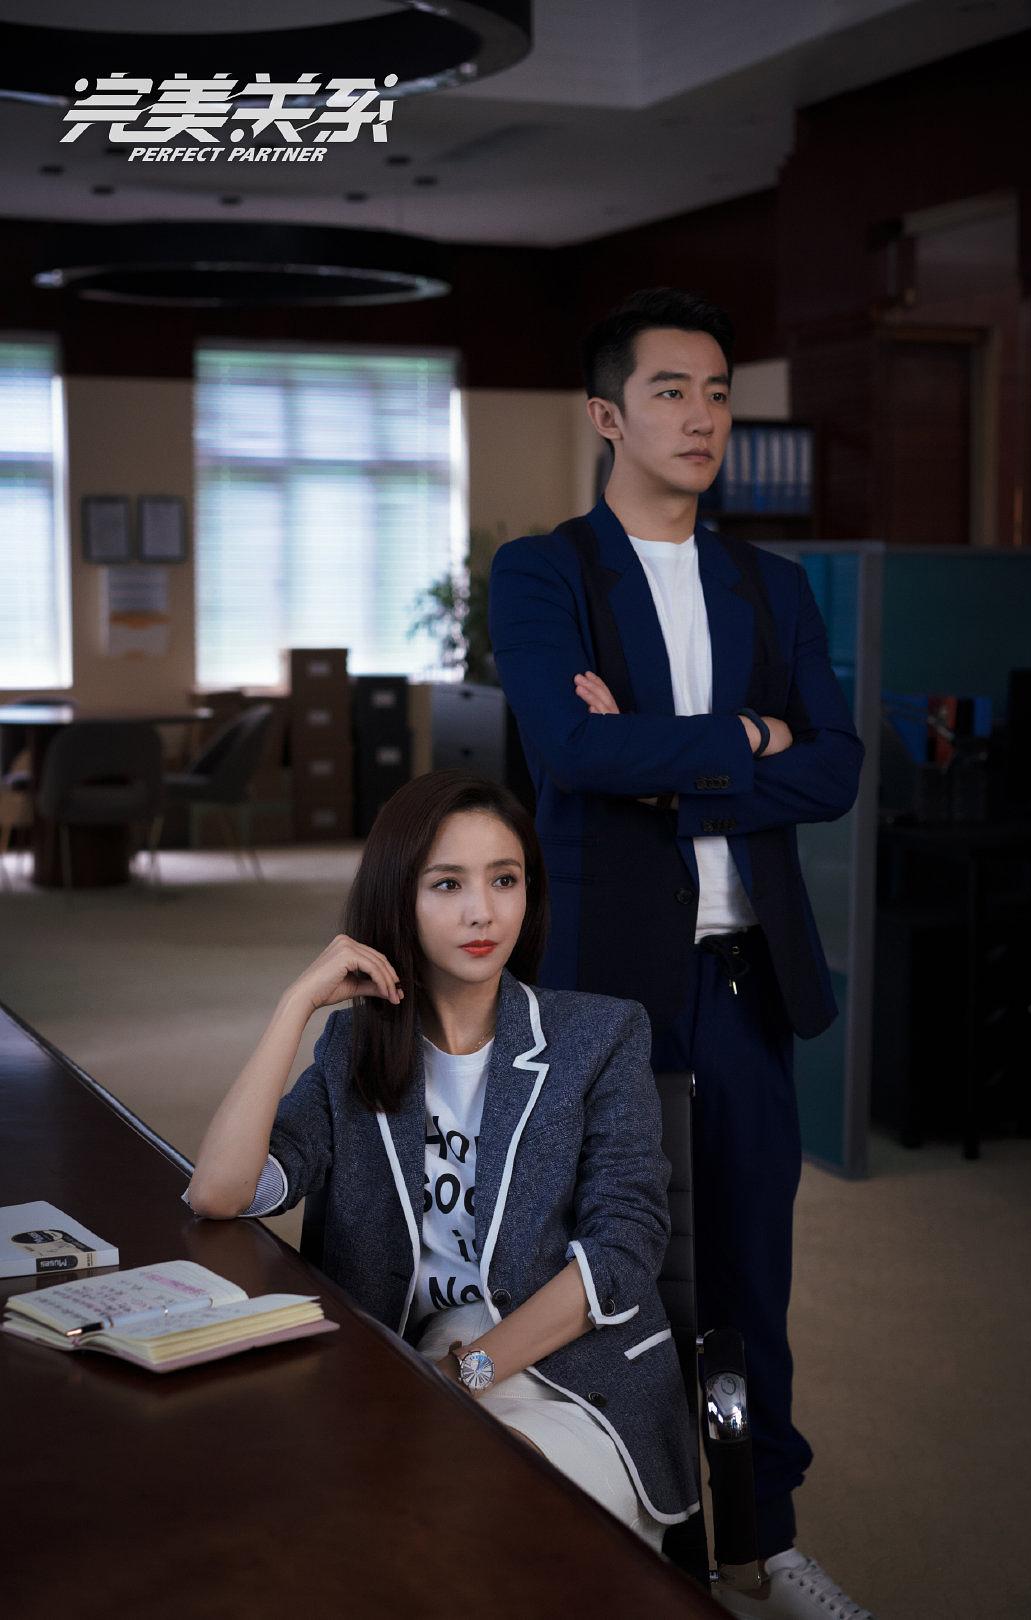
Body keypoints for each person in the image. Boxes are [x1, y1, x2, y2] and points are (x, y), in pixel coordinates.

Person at [488, 288, 870, 1618]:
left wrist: (668, 761)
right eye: (670, 392)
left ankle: (763, 1542)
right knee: (606, 1266)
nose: (703, 416)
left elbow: (837, 769)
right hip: (607, 990)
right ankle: (613, 1532)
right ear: (608, 415)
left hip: (746, 981)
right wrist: (748, 740)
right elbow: (567, 750)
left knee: (752, 1273)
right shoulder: (545, 573)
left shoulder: (772, 585)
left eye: (718, 393)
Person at [185, 769, 696, 1551]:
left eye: (504, 880)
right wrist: (296, 1006)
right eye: (448, 884)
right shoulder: (355, 1051)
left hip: (574, 1373)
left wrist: (464, 1377)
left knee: (475, 1500)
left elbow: (622, 1252)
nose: (482, 911)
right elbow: (221, 1193)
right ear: (400, 899)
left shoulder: (599, 1036)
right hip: (413, 1362)